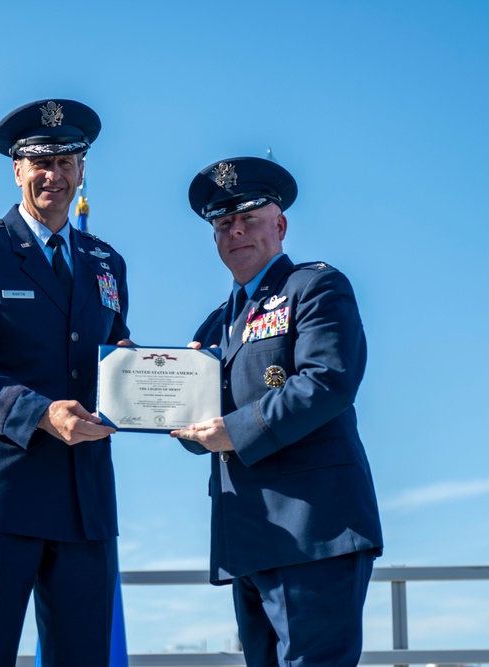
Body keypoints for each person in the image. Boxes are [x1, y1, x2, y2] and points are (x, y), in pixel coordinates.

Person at [0, 98, 131, 667]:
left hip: (84, 497)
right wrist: (41, 413)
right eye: (40, 163)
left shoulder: (105, 262)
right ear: (16, 170)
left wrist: (154, 374)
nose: (55, 176)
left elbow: (112, 350)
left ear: (82, 171)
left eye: (67, 163)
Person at [170, 156, 383, 667]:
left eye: (248, 219)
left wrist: (230, 431)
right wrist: (166, 400)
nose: (236, 231)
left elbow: (328, 382)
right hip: (248, 534)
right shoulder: (216, 324)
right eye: (223, 224)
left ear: (280, 225)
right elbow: (200, 422)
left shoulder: (315, 287)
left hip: (314, 530)